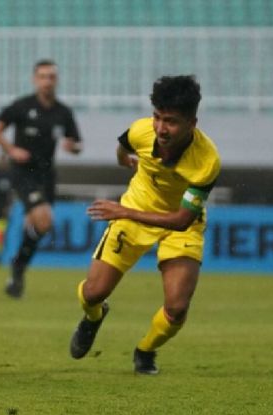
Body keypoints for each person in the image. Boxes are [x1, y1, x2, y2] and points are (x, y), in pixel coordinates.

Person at [69, 75, 220, 375]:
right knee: (92, 294)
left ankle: (145, 351)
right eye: (157, 117)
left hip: (177, 224)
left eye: (171, 122)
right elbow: (123, 147)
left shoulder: (206, 161)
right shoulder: (141, 131)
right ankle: (93, 317)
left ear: (192, 123)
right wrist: (124, 161)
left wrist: (123, 212)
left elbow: (181, 220)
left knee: (176, 309)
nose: (161, 128)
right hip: (135, 209)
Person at [0, 59, 82, 298]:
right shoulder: (22, 106)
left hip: (47, 174)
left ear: (56, 80)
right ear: (34, 79)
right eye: (42, 76)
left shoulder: (63, 112)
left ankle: (17, 270)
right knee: (44, 221)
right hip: (23, 171)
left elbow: (77, 144)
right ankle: (18, 267)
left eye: (51, 76)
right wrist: (11, 150)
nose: (47, 81)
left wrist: (72, 147)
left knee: (36, 227)